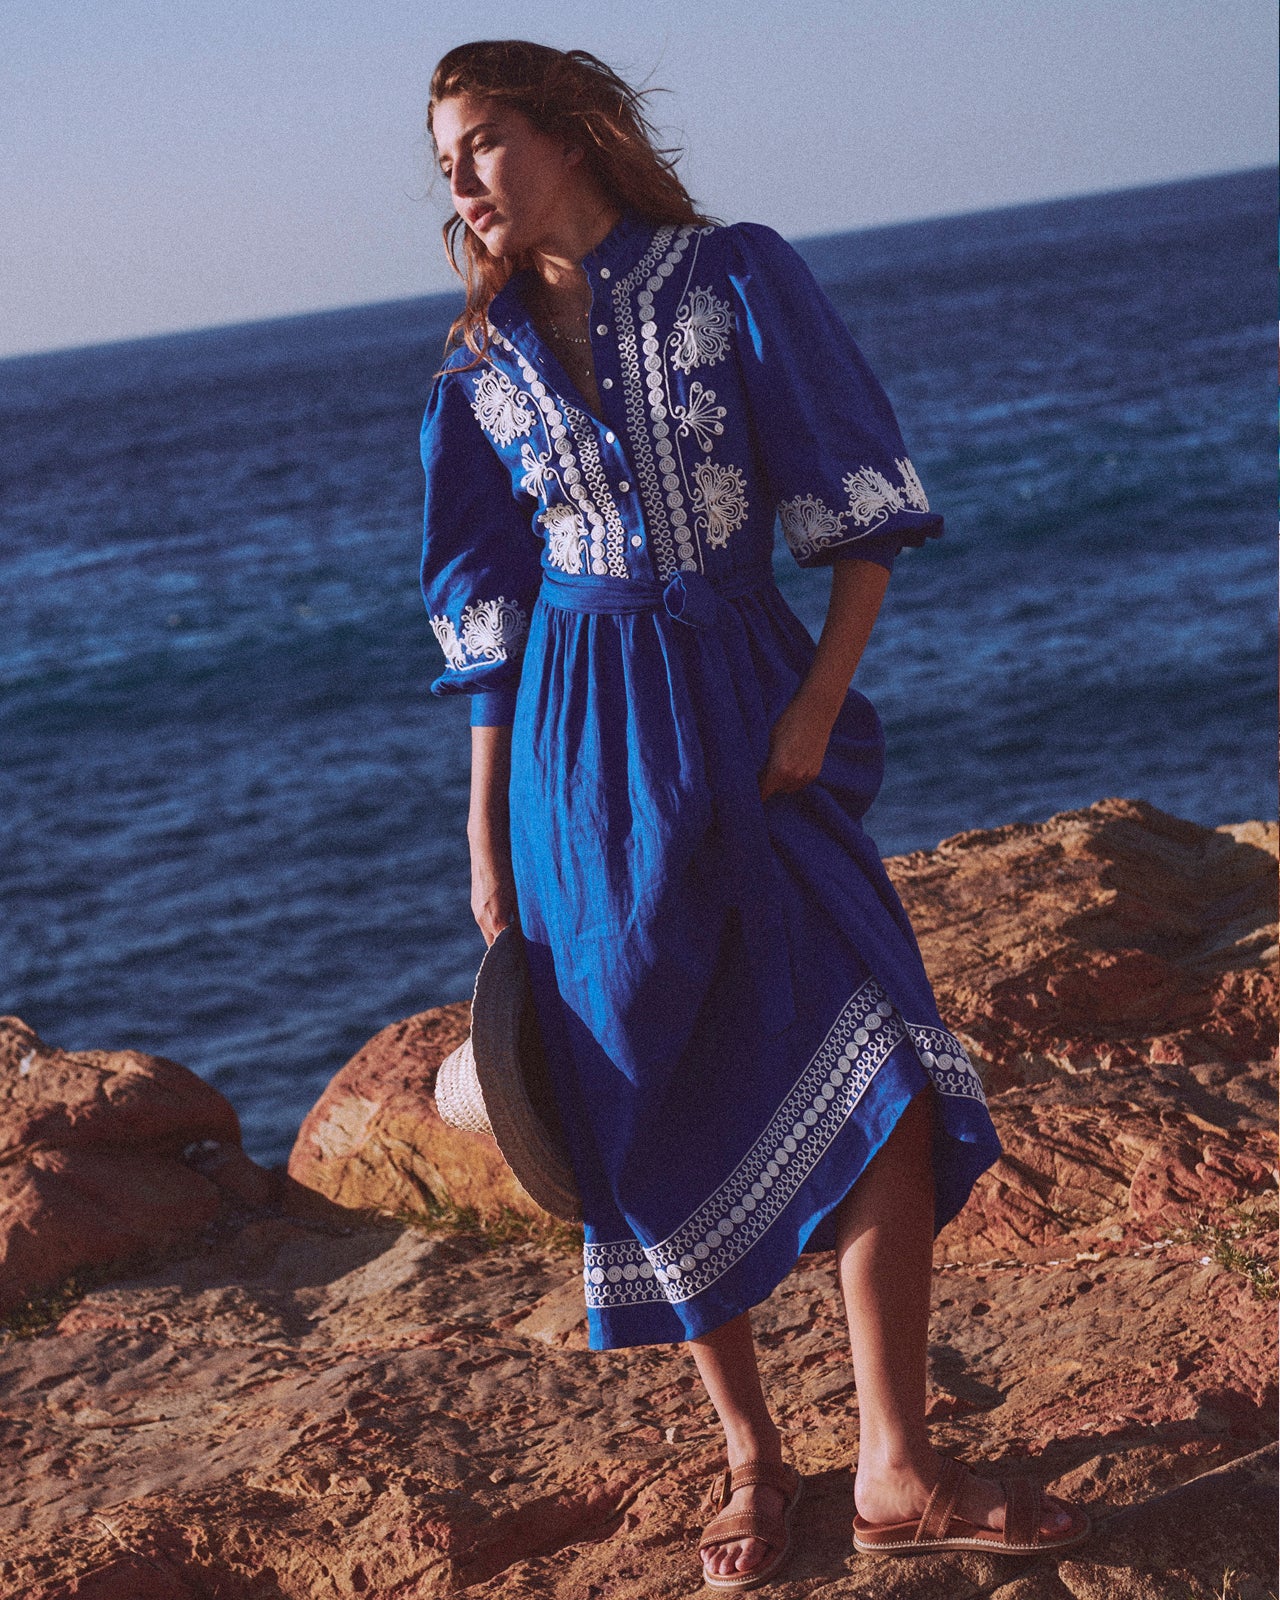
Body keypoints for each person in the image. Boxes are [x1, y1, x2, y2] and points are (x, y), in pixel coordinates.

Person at [420, 39, 1088, 1588]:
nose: (459, 180)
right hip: (579, 758)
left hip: (747, 701)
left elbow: (857, 510)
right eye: (443, 158)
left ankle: (897, 1468)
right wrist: (484, 837)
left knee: (878, 1044)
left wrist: (812, 702)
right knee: (630, 1090)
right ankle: (747, 1452)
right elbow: (483, 616)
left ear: (572, 133)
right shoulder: (478, 364)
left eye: (483, 141)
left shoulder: (732, 277)